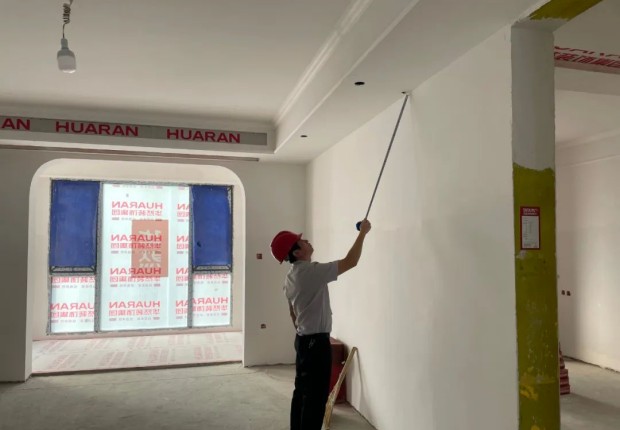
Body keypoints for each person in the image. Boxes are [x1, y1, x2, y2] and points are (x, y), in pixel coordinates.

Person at [270, 220, 372, 430]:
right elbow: (351, 261)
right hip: (315, 344)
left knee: (302, 393)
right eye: (301, 241)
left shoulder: (291, 277)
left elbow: (292, 314)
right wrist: (363, 233)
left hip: (303, 341)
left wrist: (305, 334)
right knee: (315, 399)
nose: (306, 240)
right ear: (297, 252)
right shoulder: (310, 272)